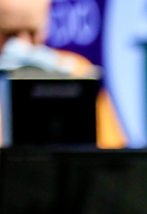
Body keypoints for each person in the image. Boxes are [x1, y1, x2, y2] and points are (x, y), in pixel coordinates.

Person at [0, 0, 124, 147]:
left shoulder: (76, 70)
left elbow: (111, 148)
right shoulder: (75, 68)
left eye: (31, 32)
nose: (21, 45)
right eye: (9, 34)